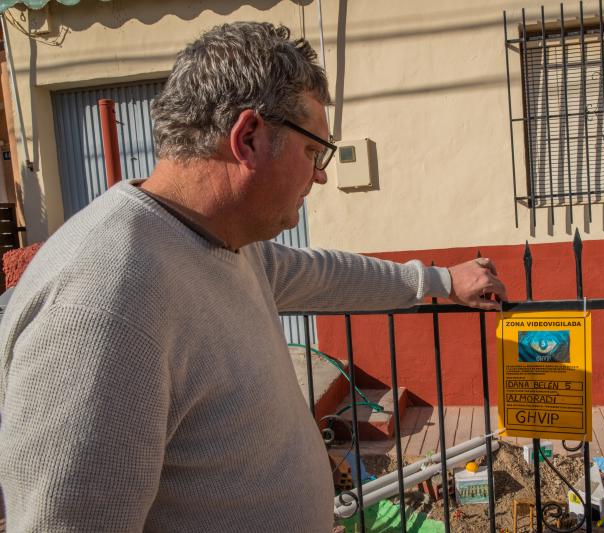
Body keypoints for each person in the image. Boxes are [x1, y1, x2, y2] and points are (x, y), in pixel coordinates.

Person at [0, 22, 506, 532]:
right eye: (313, 151)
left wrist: (442, 281)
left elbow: (328, 275)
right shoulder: (102, 303)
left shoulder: (226, 244)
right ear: (248, 138)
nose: (322, 174)